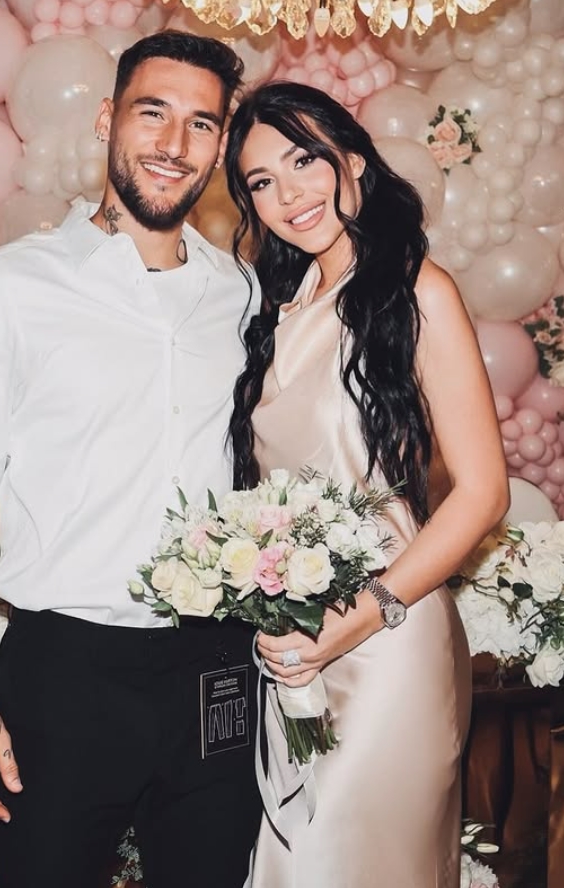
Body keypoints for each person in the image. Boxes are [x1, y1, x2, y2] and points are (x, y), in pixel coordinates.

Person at [0, 31, 262, 888]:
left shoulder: (242, 294)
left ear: (221, 145)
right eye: (152, 113)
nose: (173, 144)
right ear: (107, 119)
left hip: (216, 668)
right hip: (65, 674)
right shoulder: (10, 286)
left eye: (201, 124)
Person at [224, 81, 510, 888]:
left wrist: (360, 616)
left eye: (303, 160)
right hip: (294, 644)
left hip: (389, 638)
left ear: (352, 159)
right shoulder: (275, 312)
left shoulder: (418, 290)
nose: (289, 194)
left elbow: (482, 492)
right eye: (261, 182)